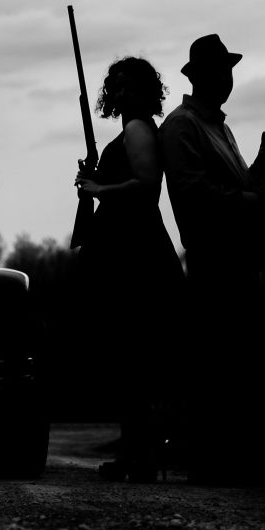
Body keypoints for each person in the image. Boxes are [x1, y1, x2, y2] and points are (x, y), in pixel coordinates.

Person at [156, 33, 265, 484]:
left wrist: (262, 170)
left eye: (230, 70)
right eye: (220, 71)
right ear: (200, 76)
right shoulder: (181, 126)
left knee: (240, 365)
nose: (228, 79)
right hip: (213, 263)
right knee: (216, 366)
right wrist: (251, 201)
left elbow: (239, 188)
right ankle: (211, 464)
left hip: (241, 262)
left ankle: (234, 461)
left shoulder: (221, 128)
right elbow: (193, 197)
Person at [73, 56, 185, 483]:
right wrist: (95, 181)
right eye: (116, 86)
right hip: (132, 253)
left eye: (129, 86)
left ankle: (141, 458)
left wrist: (98, 187)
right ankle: (136, 456)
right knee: (135, 360)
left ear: (144, 92)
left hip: (138, 258)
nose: (121, 94)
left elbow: (145, 186)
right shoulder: (134, 130)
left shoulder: (137, 129)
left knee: (137, 359)